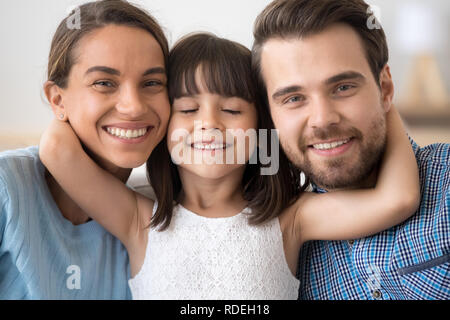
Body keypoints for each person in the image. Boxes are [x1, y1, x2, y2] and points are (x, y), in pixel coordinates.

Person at [39, 32, 419, 300]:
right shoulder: (139, 219)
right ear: (164, 125)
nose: (209, 124)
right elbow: (57, 150)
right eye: (187, 110)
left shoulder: (291, 218)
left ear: (260, 126)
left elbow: (398, 199)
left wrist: (383, 99)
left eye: (233, 110)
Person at [252, 0, 450, 300]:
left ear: (385, 88)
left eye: (343, 87)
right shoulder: (274, 242)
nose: (322, 119)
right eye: (293, 98)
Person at [0, 0, 170, 299]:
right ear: (57, 100)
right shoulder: (7, 188)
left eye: (152, 82)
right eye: (104, 82)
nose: (133, 107)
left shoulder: (154, 214)